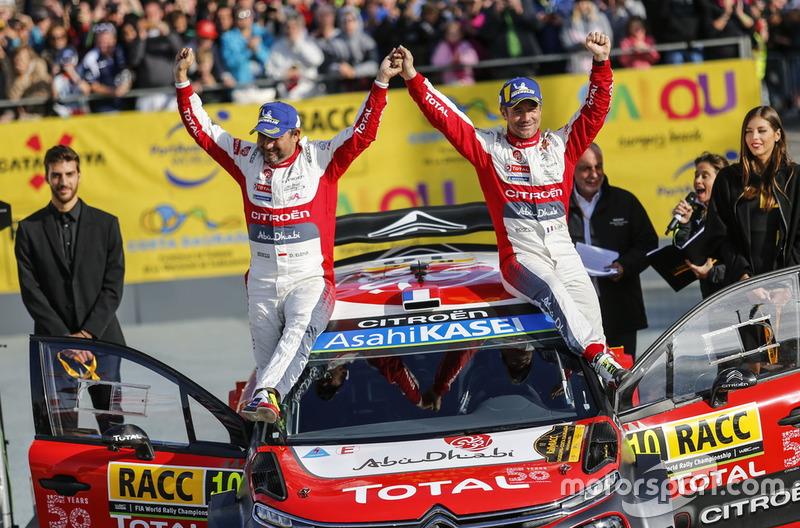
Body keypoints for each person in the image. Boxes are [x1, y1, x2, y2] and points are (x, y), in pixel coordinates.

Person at [173, 45, 402, 423]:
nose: (266, 144)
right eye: (262, 136)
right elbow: (204, 131)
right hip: (262, 280)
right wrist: (183, 83)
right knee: (268, 366)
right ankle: (274, 418)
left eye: (274, 137)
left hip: (308, 278)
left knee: (297, 335)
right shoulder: (246, 157)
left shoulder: (321, 158)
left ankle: (266, 396)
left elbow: (363, 132)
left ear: (296, 134)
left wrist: (380, 82)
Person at [395, 32, 630, 389]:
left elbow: (596, 109)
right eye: (516, 109)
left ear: (540, 109)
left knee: (590, 313)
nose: (525, 116)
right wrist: (414, 77)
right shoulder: (488, 148)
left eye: (530, 107)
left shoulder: (562, 144)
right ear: (503, 112)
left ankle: (591, 383)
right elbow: (446, 117)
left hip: (565, 252)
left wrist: (601, 63)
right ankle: (599, 357)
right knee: (554, 291)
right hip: (520, 259)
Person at [14, 144, 125, 431]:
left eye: (68, 174)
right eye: (56, 175)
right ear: (47, 177)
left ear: (79, 175)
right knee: (61, 431)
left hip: (102, 343)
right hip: (53, 345)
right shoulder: (28, 229)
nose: (63, 181)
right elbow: (31, 291)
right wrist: (66, 339)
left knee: (113, 426)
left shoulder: (107, 225)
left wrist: (86, 336)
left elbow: (112, 287)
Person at [567, 143, 658, 358]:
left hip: (620, 309)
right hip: (575, 309)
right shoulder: (558, 204)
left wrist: (624, 266)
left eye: (599, 167)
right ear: (572, 170)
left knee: (621, 375)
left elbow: (648, 244)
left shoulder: (624, 202)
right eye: (586, 168)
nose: (594, 174)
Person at [707, 105, 800, 285]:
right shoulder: (728, 179)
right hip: (740, 285)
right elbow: (719, 236)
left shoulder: (794, 178)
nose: (754, 137)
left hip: (787, 285)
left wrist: (787, 284)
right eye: (748, 132)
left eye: (761, 130)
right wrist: (743, 277)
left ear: (777, 134)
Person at [670, 152, 730, 298]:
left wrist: (713, 273)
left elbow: (743, 261)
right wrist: (684, 223)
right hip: (710, 299)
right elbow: (686, 252)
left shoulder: (732, 212)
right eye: (696, 175)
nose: (697, 180)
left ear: (720, 180)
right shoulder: (697, 213)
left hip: (735, 295)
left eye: (704, 176)